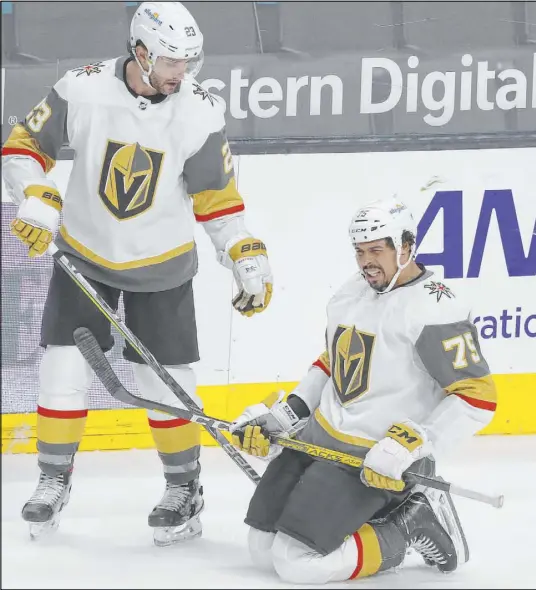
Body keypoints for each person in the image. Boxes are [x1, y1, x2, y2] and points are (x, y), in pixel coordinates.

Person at [1, 1, 273, 546]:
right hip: (85, 256)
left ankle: (183, 488)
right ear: (141, 52)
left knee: (165, 382)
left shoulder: (198, 111)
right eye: (173, 61)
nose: (183, 73)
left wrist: (242, 251)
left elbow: (217, 198)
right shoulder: (82, 89)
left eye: (190, 62)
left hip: (163, 264)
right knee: (61, 368)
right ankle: (53, 480)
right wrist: (33, 193)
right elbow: (24, 146)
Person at [230, 196, 497, 584]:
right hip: (319, 440)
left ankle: (410, 521)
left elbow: (477, 397)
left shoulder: (435, 308)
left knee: (296, 563)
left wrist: (413, 442)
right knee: (261, 550)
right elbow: (333, 363)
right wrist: (286, 415)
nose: (366, 261)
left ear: (406, 246)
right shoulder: (351, 292)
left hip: (372, 460)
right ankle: (369, 517)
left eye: (376, 250)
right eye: (359, 251)